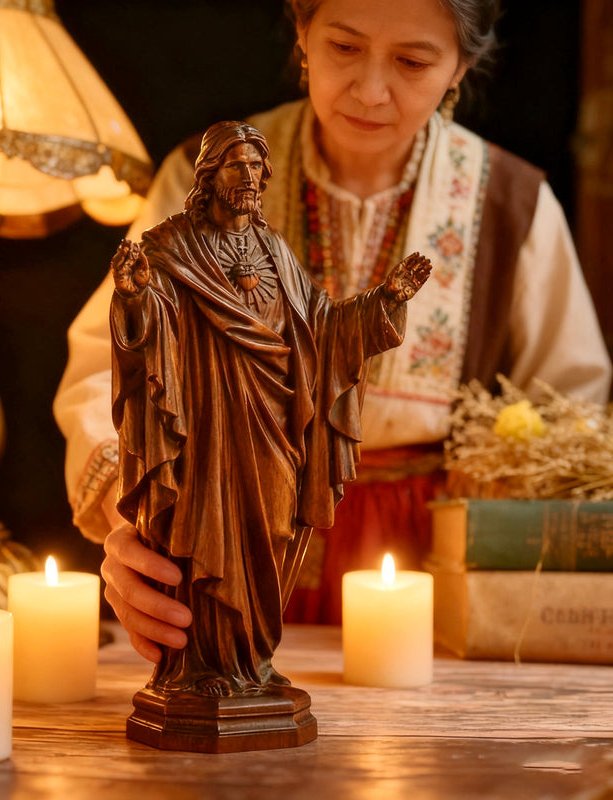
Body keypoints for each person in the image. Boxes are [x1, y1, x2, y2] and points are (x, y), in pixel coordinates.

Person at [54, 0, 612, 661]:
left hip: (432, 580)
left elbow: (572, 407)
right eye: (344, 48)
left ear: (461, 65)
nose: (370, 92)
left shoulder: (512, 206)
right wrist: (135, 518)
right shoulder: (204, 179)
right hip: (232, 535)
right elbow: (106, 368)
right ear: (302, 33)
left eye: (411, 61)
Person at [109, 119, 430, 695]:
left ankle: (252, 663)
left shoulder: (274, 249)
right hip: (206, 433)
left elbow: (324, 327)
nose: (251, 177)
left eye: (257, 168)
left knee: (268, 538)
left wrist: (385, 302)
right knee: (210, 535)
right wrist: (133, 297)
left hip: (278, 431)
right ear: (209, 175)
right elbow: (147, 346)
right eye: (238, 166)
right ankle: (202, 667)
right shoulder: (171, 245)